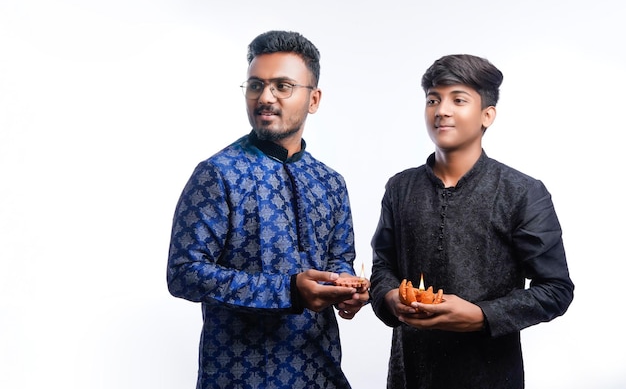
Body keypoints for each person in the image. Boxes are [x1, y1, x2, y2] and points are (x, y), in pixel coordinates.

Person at [167, 30, 370, 389]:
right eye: (255, 85)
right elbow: (184, 273)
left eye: (282, 86)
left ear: (314, 99)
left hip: (321, 374)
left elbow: (340, 259)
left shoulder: (330, 182)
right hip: (241, 377)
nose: (265, 97)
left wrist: (347, 289)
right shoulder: (219, 174)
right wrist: (288, 290)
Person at [369, 54, 574, 389]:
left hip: (490, 375)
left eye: (458, 99)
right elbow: (383, 268)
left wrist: (481, 316)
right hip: (410, 375)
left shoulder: (522, 192)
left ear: (487, 115)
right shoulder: (400, 187)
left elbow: (555, 290)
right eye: (433, 99)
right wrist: (390, 298)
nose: (442, 110)